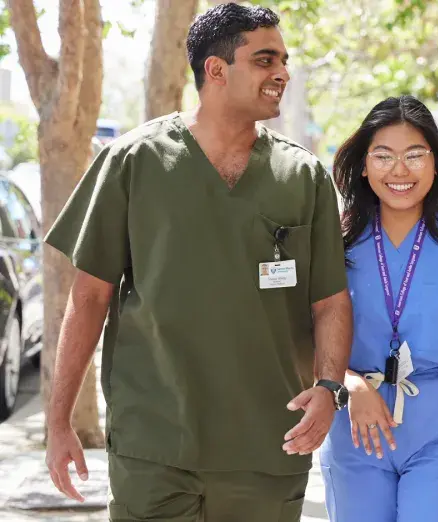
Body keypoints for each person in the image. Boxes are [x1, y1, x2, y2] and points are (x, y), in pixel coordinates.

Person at [42, 4, 353, 521]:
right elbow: (89, 297)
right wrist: (58, 422)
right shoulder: (133, 162)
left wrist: (329, 389)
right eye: (265, 59)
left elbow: (330, 301)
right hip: (155, 443)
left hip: (268, 445)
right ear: (216, 69)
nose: (283, 73)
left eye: (284, 60)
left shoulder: (304, 177)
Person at [319, 95, 438, 522]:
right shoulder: (333, 242)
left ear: (436, 163)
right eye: (383, 156)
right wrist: (350, 385)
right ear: (364, 165)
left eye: (414, 155)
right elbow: (306, 335)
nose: (399, 171)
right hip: (357, 427)